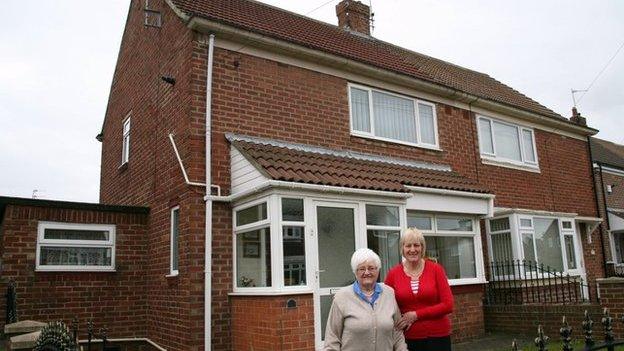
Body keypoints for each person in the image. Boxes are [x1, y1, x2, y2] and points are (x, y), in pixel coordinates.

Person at [324, 248, 408, 351]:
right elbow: (332, 339)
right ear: (355, 272)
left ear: (378, 270)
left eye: (371, 268)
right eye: (362, 269)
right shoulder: (342, 297)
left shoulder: (389, 293)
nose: (367, 272)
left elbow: (397, 332)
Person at [384, 228, 454, 351]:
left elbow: (448, 305)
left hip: (438, 336)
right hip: (407, 337)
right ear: (402, 249)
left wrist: (416, 315)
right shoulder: (393, 274)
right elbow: (385, 304)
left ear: (422, 248)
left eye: (416, 245)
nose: (412, 250)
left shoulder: (436, 270)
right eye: (408, 246)